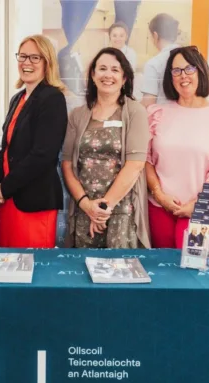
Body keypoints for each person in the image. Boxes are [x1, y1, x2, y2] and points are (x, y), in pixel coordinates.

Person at [146, 46, 209, 248]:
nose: (183, 76)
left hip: (202, 207)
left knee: (193, 269)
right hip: (159, 206)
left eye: (189, 69)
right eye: (176, 70)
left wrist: (199, 204)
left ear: (201, 71)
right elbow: (146, 161)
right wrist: (159, 195)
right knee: (160, 270)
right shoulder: (156, 114)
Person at [61, 47, 150, 249]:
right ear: (93, 75)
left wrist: (103, 208)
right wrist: (87, 206)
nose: (107, 75)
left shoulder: (135, 112)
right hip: (85, 208)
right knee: (82, 274)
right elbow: (67, 164)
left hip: (121, 211)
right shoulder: (77, 114)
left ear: (124, 78)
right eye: (102, 69)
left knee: (120, 276)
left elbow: (135, 165)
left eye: (115, 70)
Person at [0, 35, 67, 248]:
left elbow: (43, 154)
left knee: (33, 270)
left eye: (34, 57)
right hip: (10, 200)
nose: (26, 63)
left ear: (47, 62)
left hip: (33, 202)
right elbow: (6, 148)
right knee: (7, 265)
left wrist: (5, 187)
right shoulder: (18, 98)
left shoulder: (53, 98)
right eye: (22, 57)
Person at [57, 0, 140, 94]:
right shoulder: (104, 52)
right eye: (115, 35)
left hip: (123, 90)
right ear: (110, 37)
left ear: (126, 37)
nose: (118, 39)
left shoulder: (131, 54)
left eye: (121, 35)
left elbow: (128, 75)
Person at [140, 13, 180, 107]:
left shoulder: (154, 64)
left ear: (155, 35)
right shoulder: (190, 57)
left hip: (163, 118)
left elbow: (148, 103)